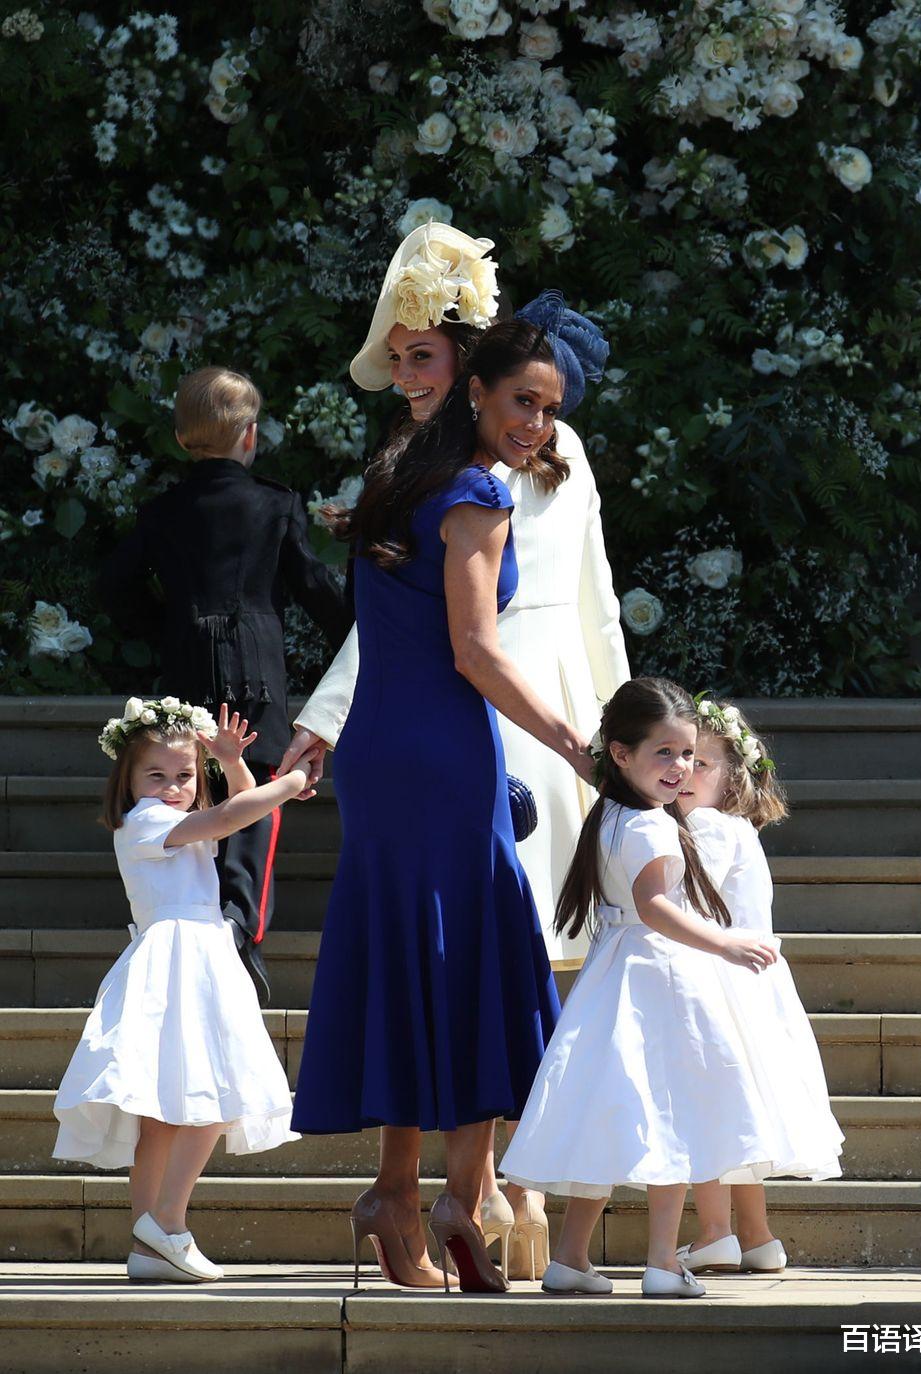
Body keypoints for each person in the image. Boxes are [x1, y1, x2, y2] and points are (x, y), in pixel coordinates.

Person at [284, 225, 629, 1279]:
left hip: (384, 752)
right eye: (521, 401)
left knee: (408, 955)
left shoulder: (395, 473)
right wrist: (582, 747)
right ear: (478, 390)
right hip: (447, 743)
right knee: (478, 958)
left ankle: (398, 1196)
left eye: (548, 407)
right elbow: (476, 652)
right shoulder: (476, 494)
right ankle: (457, 1201)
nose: (535, 422)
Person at [500, 677, 805, 1298]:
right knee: (671, 1115)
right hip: (663, 975)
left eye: (689, 754)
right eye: (664, 752)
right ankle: (664, 1262)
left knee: (607, 1112)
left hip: (613, 975)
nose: (681, 767)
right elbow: (656, 905)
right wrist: (725, 941)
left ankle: (571, 1258)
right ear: (620, 753)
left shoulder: (611, 813)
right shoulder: (655, 826)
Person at [98, 367, 351, 1003]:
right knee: (256, 796)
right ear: (249, 434)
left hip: (185, 668)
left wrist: (162, 627)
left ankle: (207, 915)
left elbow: (114, 587)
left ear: (185, 437)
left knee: (195, 788)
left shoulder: (162, 510)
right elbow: (314, 587)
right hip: (257, 669)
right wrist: (362, 630)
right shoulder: (274, 501)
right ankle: (240, 922)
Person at [52, 699, 317, 1283]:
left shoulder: (175, 821)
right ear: (130, 780)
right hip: (181, 956)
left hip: (195, 953)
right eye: (157, 775)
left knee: (167, 1117)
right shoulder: (146, 821)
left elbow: (238, 813)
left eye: (185, 776)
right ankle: (167, 1221)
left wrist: (230, 762)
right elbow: (229, 818)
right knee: (214, 1092)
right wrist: (292, 780)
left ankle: (149, 1247)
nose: (172, 787)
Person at [675, 697, 844, 1275]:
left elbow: (686, 906)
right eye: (679, 757)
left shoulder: (705, 827)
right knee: (739, 1116)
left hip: (717, 980)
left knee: (708, 1109)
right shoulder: (736, 829)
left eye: (702, 763)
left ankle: (716, 1230)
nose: (685, 772)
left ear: (731, 780)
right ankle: (757, 1236)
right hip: (751, 985)